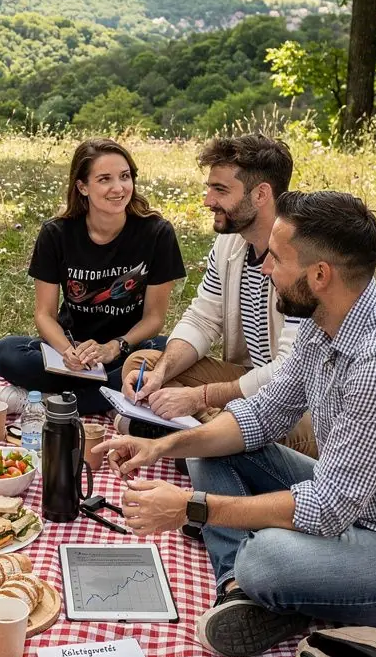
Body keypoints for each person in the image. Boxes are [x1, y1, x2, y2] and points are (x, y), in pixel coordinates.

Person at [96, 192, 376, 657]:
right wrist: (168, 447)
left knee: (266, 556)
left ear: (320, 275)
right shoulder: (325, 316)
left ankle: (270, 582)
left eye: (277, 258)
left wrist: (192, 508)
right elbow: (261, 417)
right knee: (208, 448)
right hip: (352, 497)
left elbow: (326, 508)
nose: (264, 268)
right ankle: (240, 589)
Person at [119, 133, 316, 458]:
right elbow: (202, 318)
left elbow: (288, 372)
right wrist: (161, 374)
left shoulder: (299, 255)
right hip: (245, 384)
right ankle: (202, 444)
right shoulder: (230, 243)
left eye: (220, 189)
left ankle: (193, 443)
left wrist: (201, 397)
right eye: (210, 187)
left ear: (261, 194)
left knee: (250, 421)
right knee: (143, 365)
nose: (208, 200)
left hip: (301, 402)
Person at [0, 138, 186, 415]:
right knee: (5, 352)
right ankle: (112, 398)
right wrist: (68, 351)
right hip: (70, 352)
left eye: (125, 177)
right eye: (105, 179)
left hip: (126, 350)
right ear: (82, 187)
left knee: (169, 352)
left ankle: (54, 402)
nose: (118, 188)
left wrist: (114, 347)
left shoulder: (157, 233)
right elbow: (44, 315)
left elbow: (154, 318)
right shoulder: (56, 234)